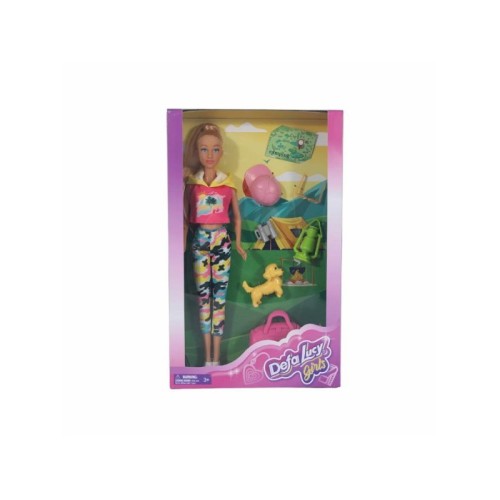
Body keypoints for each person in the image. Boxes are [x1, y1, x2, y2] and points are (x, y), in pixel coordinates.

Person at [183, 123, 247, 366]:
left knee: (219, 299)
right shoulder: (192, 184)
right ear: (197, 151)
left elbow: (237, 217)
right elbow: (184, 217)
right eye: (204, 149)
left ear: (221, 152)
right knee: (203, 298)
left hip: (221, 241)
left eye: (215, 149)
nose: (210, 155)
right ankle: (206, 357)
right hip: (200, 242)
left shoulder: (228, 184)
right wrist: (182, 244)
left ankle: (216, 358)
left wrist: (238, 243)